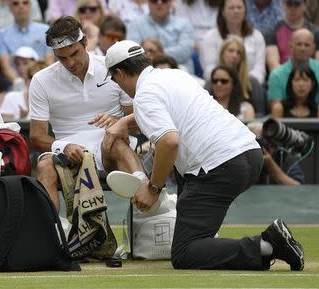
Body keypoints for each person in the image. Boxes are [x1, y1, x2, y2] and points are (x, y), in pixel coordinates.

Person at [103, 39, 304, 271]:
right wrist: (125, 123)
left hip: (219, 166)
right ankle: (229, 243)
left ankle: (268, 244)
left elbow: (169, 142)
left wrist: (153, 188)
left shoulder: (144, 96)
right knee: (188, 196)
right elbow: (168, 112)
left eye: (114, 79)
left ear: (119, 73)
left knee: (185, 252)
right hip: (249, 154)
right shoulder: (175, 75)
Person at [28, 16, 145, 211]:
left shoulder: (112, 68)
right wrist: (64, 146)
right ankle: (52, 233)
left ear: (85, 42)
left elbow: (140, 123)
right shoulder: (41, 80)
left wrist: (118, 122)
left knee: (115, 140)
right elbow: (36, 136)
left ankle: (146, 197)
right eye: (62, 58)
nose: (70, 63)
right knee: (44, 166)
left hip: (111, 147)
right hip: (67, 153)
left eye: (74, 53)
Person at [201, 0, 266, 84]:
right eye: (231, 8)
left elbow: (259, 70)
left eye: (239, 7)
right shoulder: (210, 36)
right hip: (219, 83)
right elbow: (209, 69)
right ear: (223, 11)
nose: (236, 11)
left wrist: (242, 81)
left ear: (245, 10)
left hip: (249, 84)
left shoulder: (257, 36)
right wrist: (225, 80)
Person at [127, 0, 195, 73]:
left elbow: (184, 52)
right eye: (154, 0)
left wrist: (155, 53)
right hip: (146, 72)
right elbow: (134, 53)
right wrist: (158, 54)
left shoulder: (184, 24)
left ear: (171, 2)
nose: (159, 3)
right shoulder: (136, 23)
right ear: (148, 2)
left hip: (180, 71)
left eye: (164, 0)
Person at [205, 35, 267, 115]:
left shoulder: (252, 83)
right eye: (231, 51)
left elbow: (260, 114)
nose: (234, 55)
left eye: (239, 53)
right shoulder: (212, 81)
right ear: (222, 53)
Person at [0, 0, 51, 85]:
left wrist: (41, 83)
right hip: (15, 86)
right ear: (10, 8)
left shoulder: (46, 30)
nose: (21, 6)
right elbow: (5, 66)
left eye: (25, 2)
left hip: (44, 82)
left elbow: (49, 61)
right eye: (15, 3)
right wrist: (19, 83)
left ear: (31, 6)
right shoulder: (1, 34)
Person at [267, 28, 319, 115]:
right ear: (290, 46)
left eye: (307, 45)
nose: (302, 48)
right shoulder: (276, 75)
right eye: (299, 44)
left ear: (313, 48)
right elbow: (276, 108)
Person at [264, 0, 319, 72]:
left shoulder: (316, 32)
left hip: (310, 78)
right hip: (282, 78)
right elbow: (273, 65)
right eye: (289, 3)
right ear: (282, 4)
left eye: (297, 4)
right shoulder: (271, 32)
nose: (292, 8)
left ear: (305, 6)